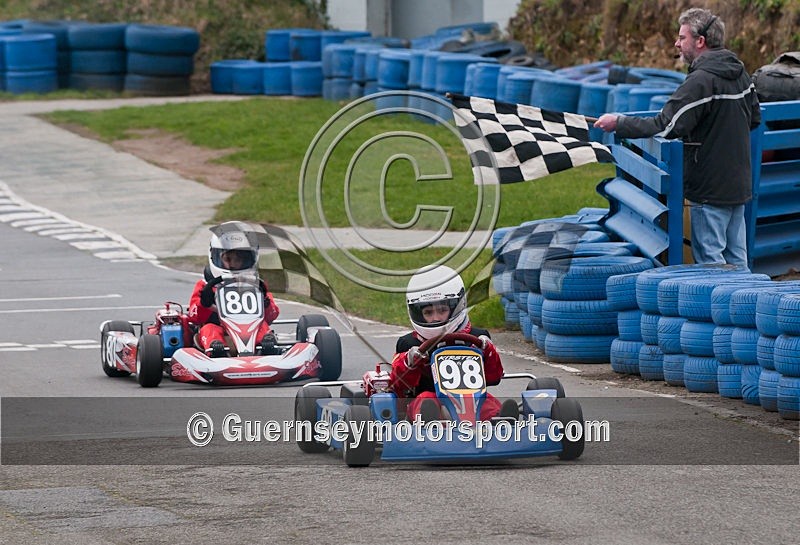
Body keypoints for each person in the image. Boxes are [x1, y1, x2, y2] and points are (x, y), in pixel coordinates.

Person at [594, 8, 761, 267]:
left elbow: (665, 125)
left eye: (681, 37)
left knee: (710, 263)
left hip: (709, 189)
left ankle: (715, 309)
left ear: (700, 41)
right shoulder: (741, 73)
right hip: (738, 185)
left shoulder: (701, 81)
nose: (677, 43)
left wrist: (620, 123)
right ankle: (746, 305)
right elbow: (754, 119)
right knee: (738, 259)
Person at [389, 265, 517, 422]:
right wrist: (410, 361)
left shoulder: (478, 337)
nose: (435, 318)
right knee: (426, 401)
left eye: (442, 310)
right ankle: (431, 425)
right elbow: (398, 385)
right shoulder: (409, 343)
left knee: (487, 403)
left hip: (473, 401)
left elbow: (494, 377)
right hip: (427, 401)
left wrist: (488, 351)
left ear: (457, 306)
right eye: (428, 312)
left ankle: (503, 422)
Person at [188, 223, 280, 357]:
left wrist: (265, 302)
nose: (233, 264)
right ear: (215, 256)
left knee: (263, 326)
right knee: (210, 329)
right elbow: (194, 317)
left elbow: (272, 315)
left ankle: (267, 347)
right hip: (218, 331)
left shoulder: (257, 285)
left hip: (250, 330)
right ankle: (216, 351)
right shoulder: (205, 285)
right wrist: (204, 303)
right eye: (228, 259)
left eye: (239, 259)